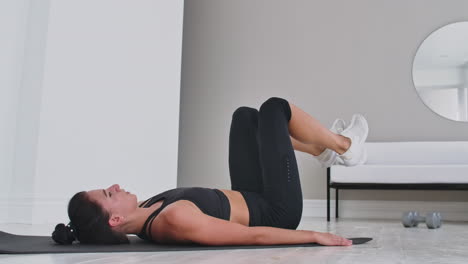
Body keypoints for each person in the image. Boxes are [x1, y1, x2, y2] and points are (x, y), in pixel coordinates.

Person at [52, 97, 368, 247]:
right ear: (115, 220)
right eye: (109, 194)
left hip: (251, 196)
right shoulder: (171, 221)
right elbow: (250, 235)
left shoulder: (147, 208)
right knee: (274, 108)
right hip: (276, 210)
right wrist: (312, 236)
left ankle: (320, 150)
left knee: (245, 117)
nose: (116, 185)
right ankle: (344, 147)